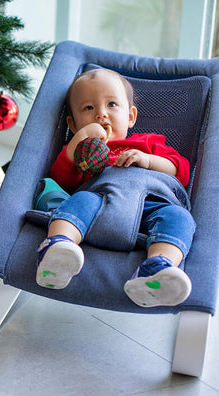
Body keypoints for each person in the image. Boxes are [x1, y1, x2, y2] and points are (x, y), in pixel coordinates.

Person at [36, 68, 195, 308]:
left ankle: (158, 268)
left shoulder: (148, 143)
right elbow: (62, 180)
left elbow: (181, 170)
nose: (101, 114)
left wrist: (149, 160)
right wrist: (77, 143)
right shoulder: (80, 150)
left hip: (150, 206)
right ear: (73, 122)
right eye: (88, 108)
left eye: (112, 104)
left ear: (131, 116)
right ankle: (57, 248)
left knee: (179, 217)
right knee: (77, 202)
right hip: (99, 204)